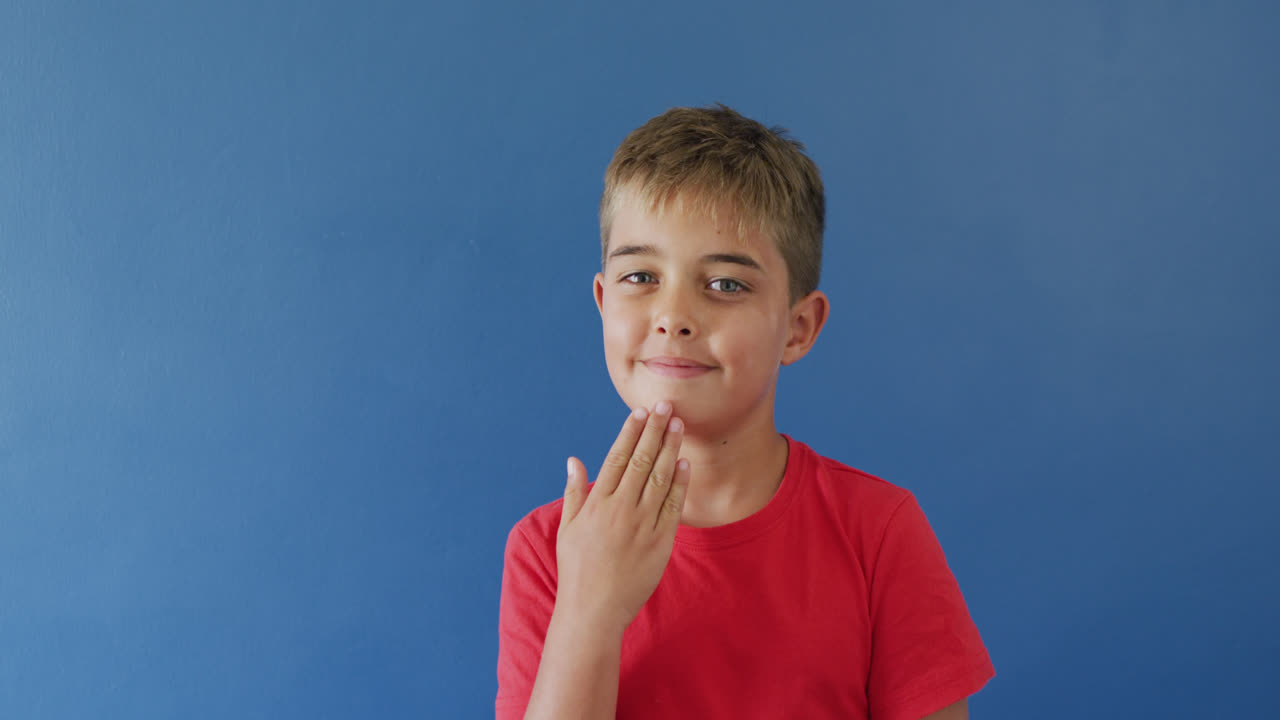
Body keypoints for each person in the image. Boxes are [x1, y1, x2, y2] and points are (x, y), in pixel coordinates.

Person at [495, 104, 994, 720]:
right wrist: (589, 610)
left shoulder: (879, 533)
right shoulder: (548, 550)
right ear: (602, 302)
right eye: (641, 276)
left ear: (798, 327)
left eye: (725, 284)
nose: (673, 316)